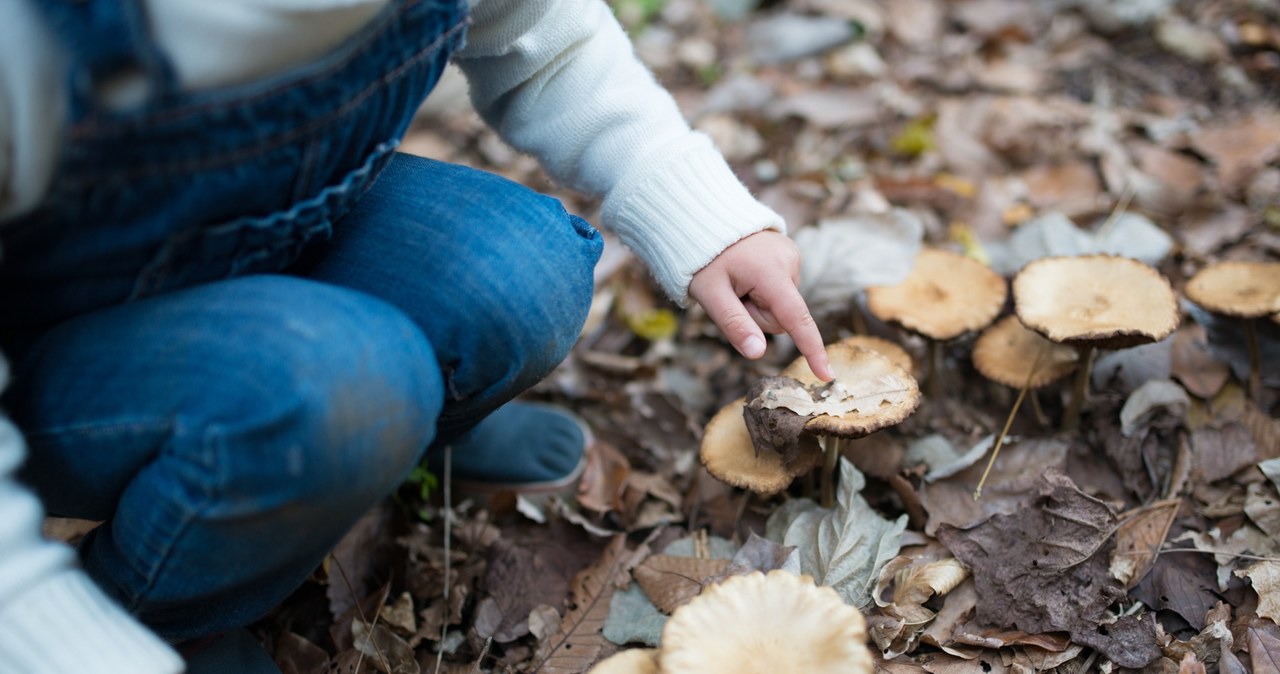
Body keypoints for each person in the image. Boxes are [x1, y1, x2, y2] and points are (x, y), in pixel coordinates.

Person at [0, 0, 831, 671]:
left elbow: (547, 42)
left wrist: (699, 211)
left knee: (523, 271)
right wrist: (32, 614)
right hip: (56, 354)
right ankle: (167, 610)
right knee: (340, 384)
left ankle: (387, 429)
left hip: (274, 244)